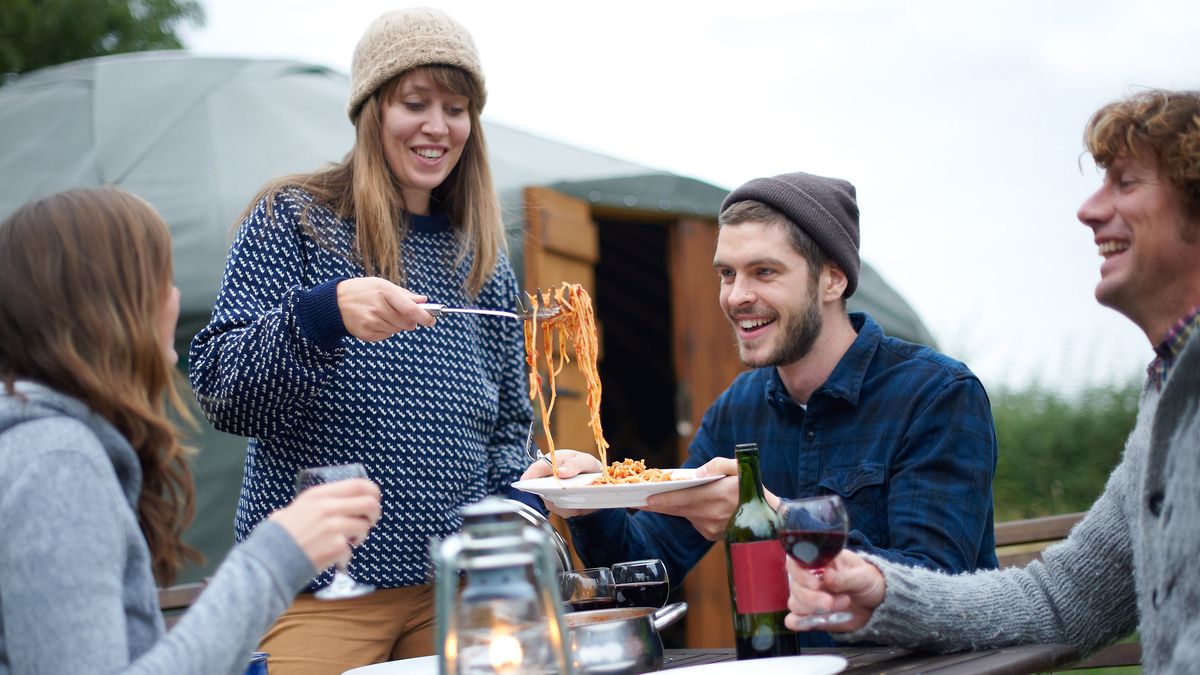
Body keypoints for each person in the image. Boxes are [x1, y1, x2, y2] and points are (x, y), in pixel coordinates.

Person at [783, 89, 1200, 673]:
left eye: (1125, 182)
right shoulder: (1167, 394)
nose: (1087, 210)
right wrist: (883, 590)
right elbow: (1061, 600)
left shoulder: (936, 391)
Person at [187, 7, 531, 673]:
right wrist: (320, 316)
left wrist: (515, 500)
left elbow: (510, 426)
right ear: (373, 109)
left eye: (456, 107)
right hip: (318, 593)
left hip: (453, 595)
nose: (438, 126)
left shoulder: (482, 257)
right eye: (415, 102)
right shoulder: (295, 219)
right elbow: (220, 388)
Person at [523, 170, 1000, 647]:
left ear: (832, 278)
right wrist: (588, 502)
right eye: (727, 274)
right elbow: (652, 564)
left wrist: (773, 515)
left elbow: (938, 589)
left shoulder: (936, 394)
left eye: (764, 272)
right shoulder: (738, 409)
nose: (735, 296)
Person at [0, 187, 381, 675]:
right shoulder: (56, 465)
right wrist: (276, 554)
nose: (176, 298)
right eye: (162, 279)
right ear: (112, 305)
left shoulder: (44, 446)